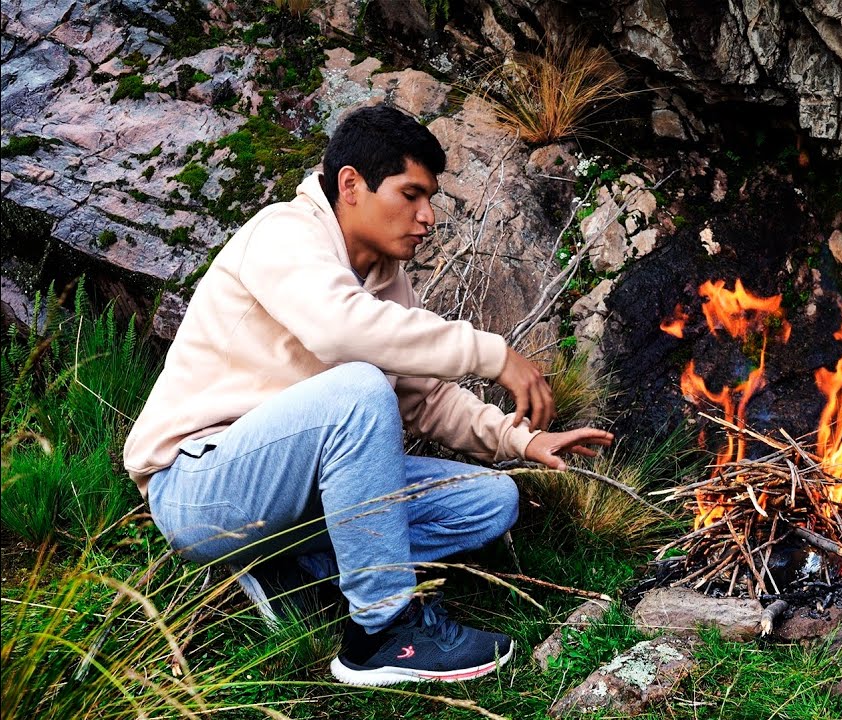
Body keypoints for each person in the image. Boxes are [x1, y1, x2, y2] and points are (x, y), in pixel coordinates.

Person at [123, 104, 613, 686]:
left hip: (295, 495)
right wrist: (493, 354)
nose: (427, 216)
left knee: (490, 500)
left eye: (429, 198)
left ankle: (290, 568)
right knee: (358, 390)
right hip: (200, 489)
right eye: (410, 194)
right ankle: (380, 633)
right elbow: (339, 328)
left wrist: (520, 439)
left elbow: (422, 399)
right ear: (351, 184)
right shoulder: (282, 234)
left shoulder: (385, 278)